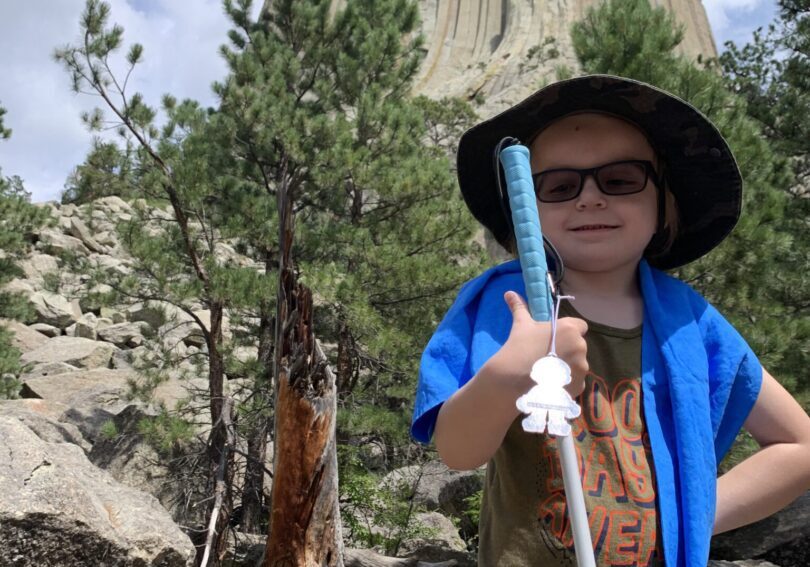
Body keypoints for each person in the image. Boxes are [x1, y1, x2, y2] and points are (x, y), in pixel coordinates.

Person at [411, 75, 810, 567]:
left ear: (664, 204)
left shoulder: (694, 323)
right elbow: (458, 450)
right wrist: (507, 375)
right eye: (559, 186)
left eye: (620, 179)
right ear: (526, 213)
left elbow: (799, 444)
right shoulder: (506, 304)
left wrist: (689, 514)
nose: (590, 198)